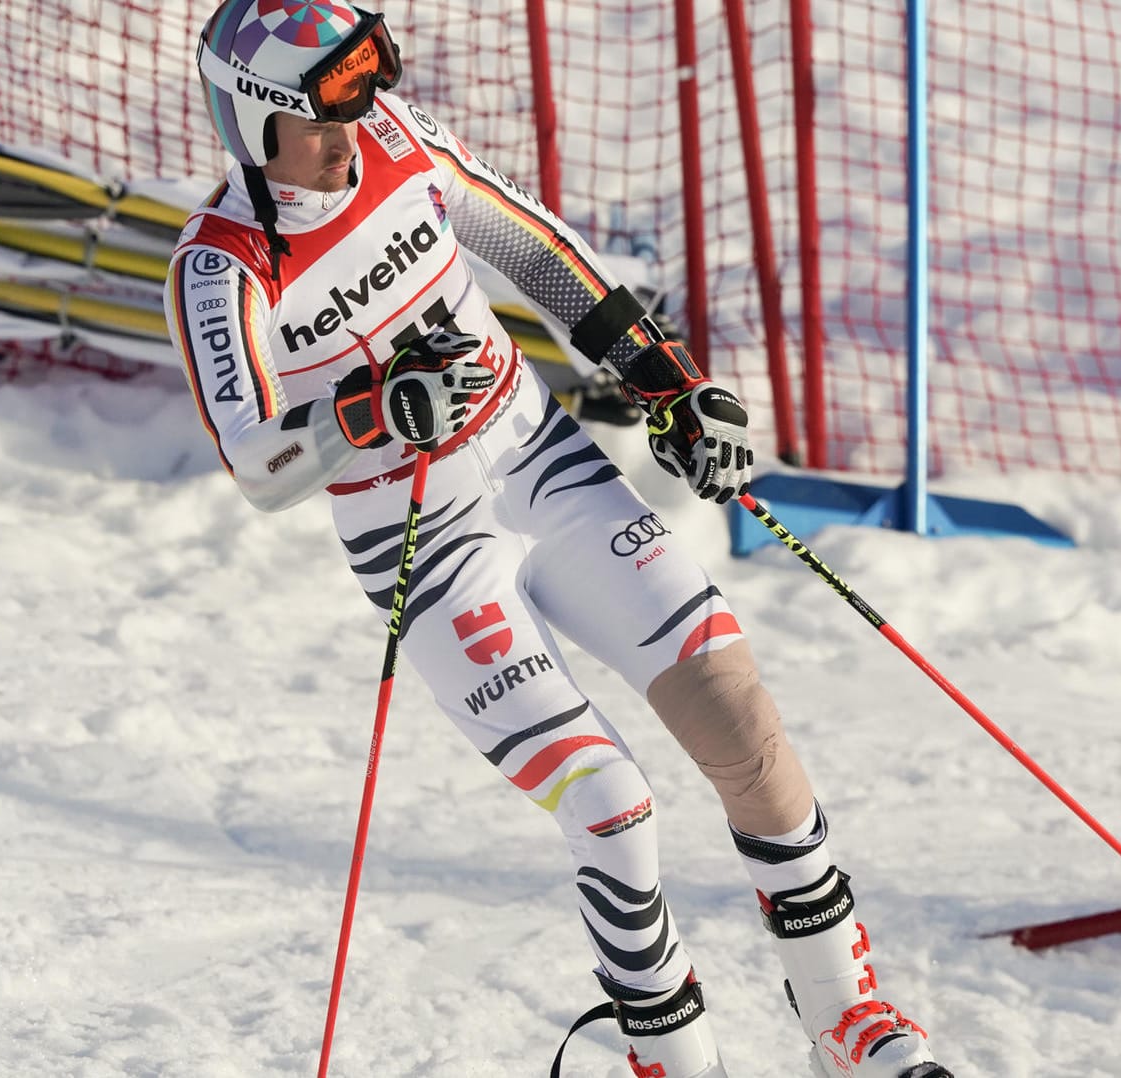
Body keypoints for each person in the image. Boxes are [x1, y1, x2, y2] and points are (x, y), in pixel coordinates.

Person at [166, 4, 951, 1076]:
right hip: (427, 547)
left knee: (740, 722)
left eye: (361, 100)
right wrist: (374, 412)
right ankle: (671, 1054)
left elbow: (539, 254)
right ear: (255, 124)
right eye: (323, 116)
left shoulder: (403, 144)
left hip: (544, 468)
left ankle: (845, 1017)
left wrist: (669, 385)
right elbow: (256, 463)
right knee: (607, 801)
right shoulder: (221, 268)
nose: (354, 132)